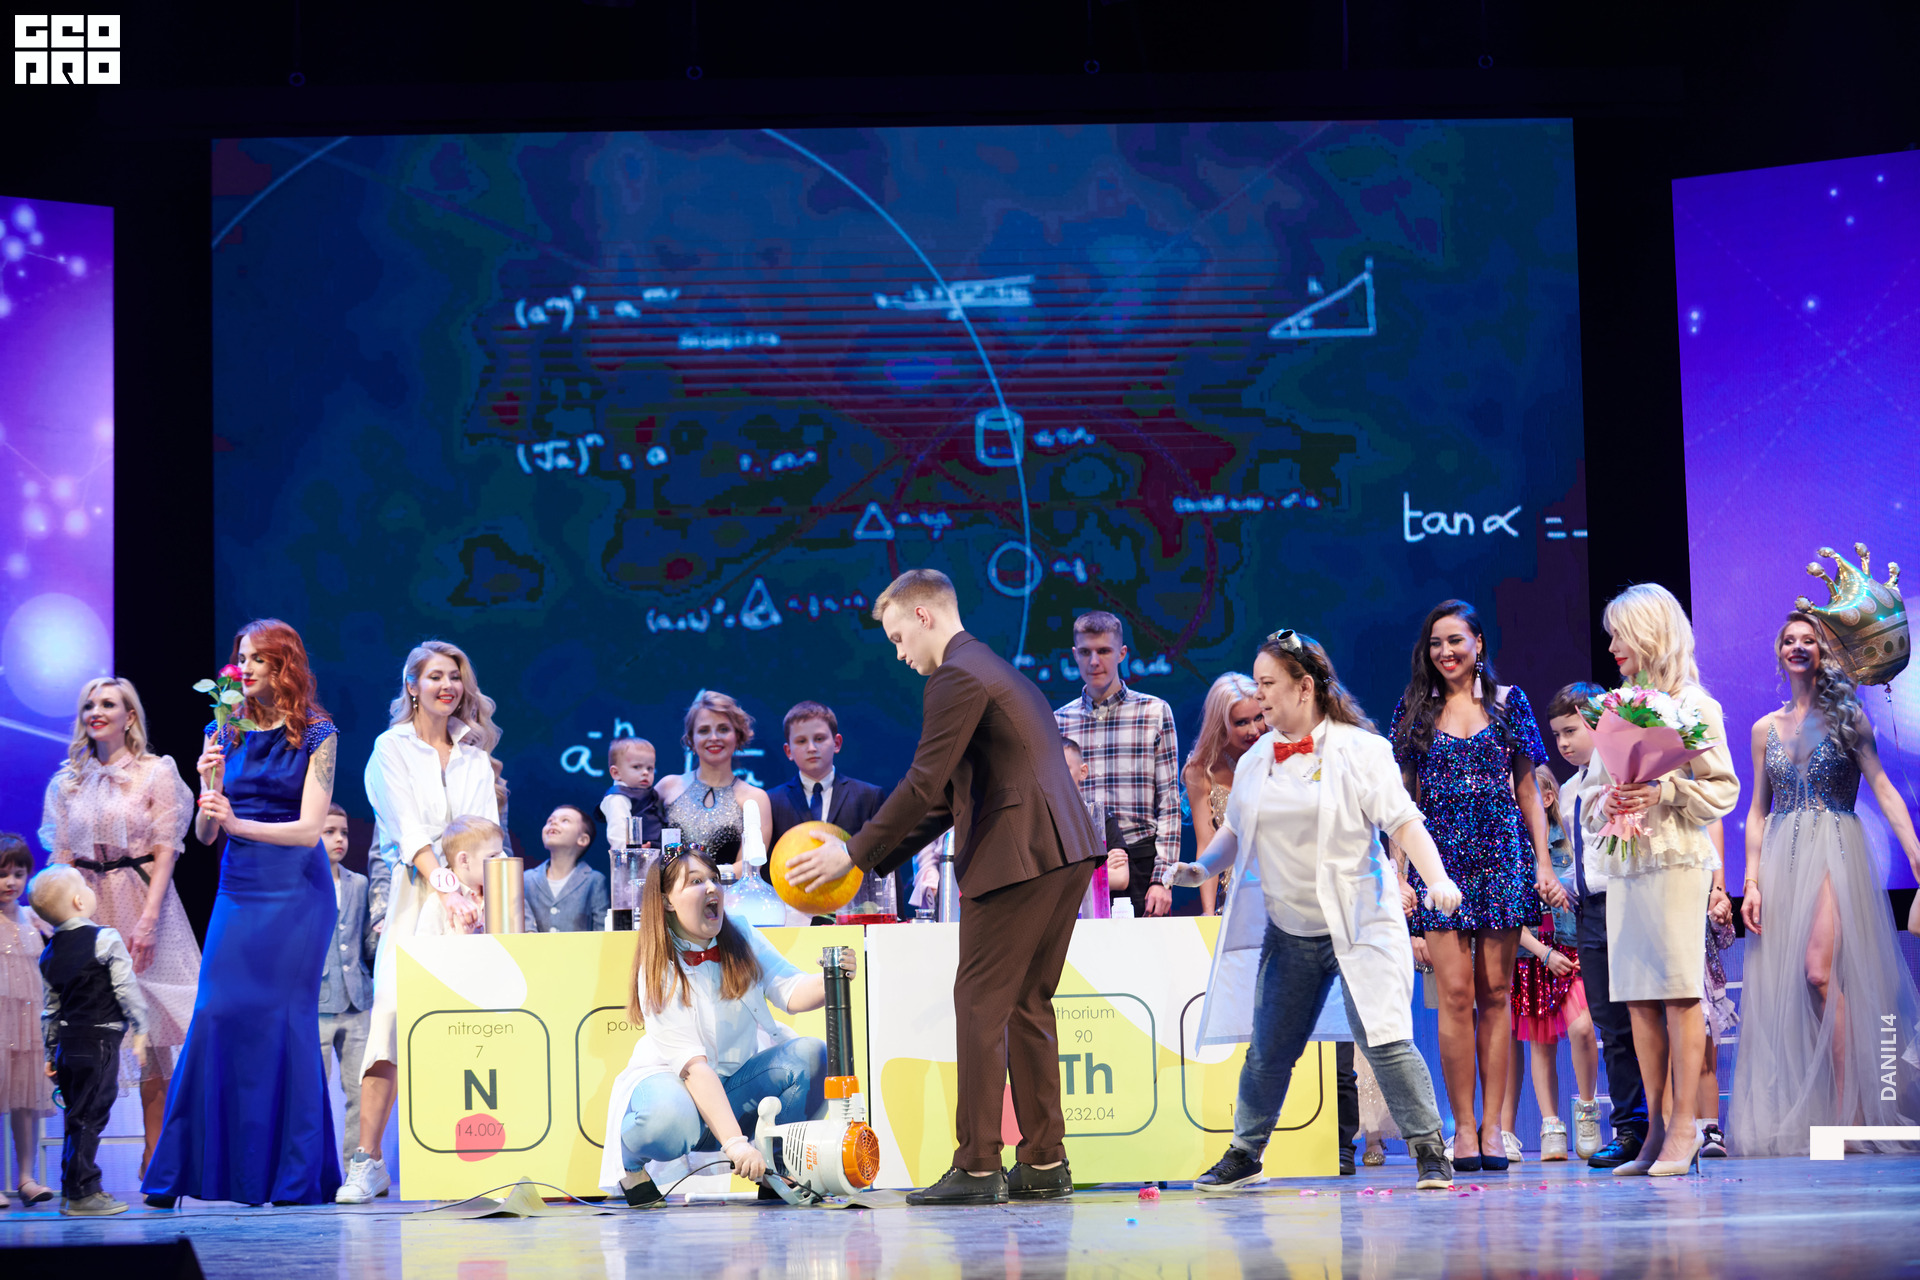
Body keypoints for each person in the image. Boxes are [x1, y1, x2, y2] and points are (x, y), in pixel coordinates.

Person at [787, 569, 1100, 1205]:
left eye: (898, 638)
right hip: (1063, 849)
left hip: (1017, 855)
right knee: (1027, 1005)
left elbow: (923, 782)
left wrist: (852, 851)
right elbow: (945, 800)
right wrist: (864, 862)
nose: (899, 654)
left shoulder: (956, 676)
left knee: (981, 1005)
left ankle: (979, 1165)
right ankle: (1044, 1161)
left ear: (924, 616)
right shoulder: (996, 669)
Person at [1166, 628, 1462, 1193]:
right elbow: (1235, 831)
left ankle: (1429, 1149)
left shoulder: (1361, 750)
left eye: (1268, 684)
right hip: (1291, 929)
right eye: (1257, 684)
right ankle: (1246, 1153)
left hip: (1359, 922)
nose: (1258, 696)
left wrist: (1438, 879)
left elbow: (1403, 822)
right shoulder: (1257, 759)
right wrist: (1201, 869)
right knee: (1269, 1049)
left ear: (1304, 688)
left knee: (1385, 1038)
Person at [142, 619, 343, 1208]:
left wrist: (238, 823)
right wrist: (208, 787)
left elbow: (308, 829)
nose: (245, 667)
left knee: (285, 1020)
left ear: (285, 665)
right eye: (241, 657)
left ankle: (293, 1177)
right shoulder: (222, 729)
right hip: (239, 887)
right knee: (216, 1011)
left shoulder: (318, 732)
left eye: (258, 658)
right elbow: (206, 834)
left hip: (297, 891)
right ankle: (184, 1172)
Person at [1728, 611, 1920, 1155]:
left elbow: (1882, 787)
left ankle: (1853, 1111)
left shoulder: (1848, 718)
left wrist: (1914, 849)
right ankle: (1837, 1106)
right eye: (1788, 640)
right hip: (1782, 857)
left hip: (1835, 845)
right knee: (1800, 984)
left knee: (1819, 973)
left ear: (1823, 651)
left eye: (1808, 639)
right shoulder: (1764, 728)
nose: (1797, 646)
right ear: (1779, 653)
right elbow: (1758, 810)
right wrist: (1751, 882)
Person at [1388, 599, 1566, 1173]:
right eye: (1436, 643)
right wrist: (1398, 873)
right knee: (1455, 996)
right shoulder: (1414, 707)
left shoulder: (1510, 703)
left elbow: (1528, 790)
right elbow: (1401, 801)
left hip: (1502, 858)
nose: (1446, 652)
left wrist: (1543, 863)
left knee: (1495, 994)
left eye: (1456, 641)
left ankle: (1494, 1127)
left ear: (1478, 644)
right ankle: (1462, 1128)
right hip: (1440, 864)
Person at [1577, 583, 1739, 1177]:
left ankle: (1686, 1129)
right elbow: (1590, 796)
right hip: (1627, 865)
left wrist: (1663, 789)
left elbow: (1722, 789)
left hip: (1675, 862)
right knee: (1638, 996)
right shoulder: (1617, 708)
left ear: (1649, 633)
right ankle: (1656, 1131)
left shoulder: (1694, 704)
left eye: (1619, 634)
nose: (1612, 647)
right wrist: (1611, 798)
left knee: (1677, 990)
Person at [340, 639, 502, 1205]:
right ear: (412, 685)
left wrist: (474, 896)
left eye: (454, 676)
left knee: (473, 1023)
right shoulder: (391, 747)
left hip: (474, 901)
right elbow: (407, 830)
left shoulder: (474, 755)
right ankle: (367, 1162)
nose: (447, 686)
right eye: (435, 676)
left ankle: (478, 1158)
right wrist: (446, 887)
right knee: (390, 1017)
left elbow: (485, 832)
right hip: (416, 894)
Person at [597, 847, 845, 1208]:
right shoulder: (658, 966)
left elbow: (790, 990)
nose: (712, 887)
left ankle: (778, 1170)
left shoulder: (739, 931)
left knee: (810, 1055)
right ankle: (630, 1166)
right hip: (676, 1084)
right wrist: (735, 1144)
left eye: (714, 879)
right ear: (666, 901)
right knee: (666, 1119)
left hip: (738, 1081)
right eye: (696, 881)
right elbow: (694, 1069)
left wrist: (832, 976)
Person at [37, 676, 199, 1175]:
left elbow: (167, 849)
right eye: (89, 704)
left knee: (153, 1034)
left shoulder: (155, 772)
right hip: (87, 904)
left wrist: (148, 917)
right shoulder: (68, 782)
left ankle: (156, 1159)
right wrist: (60, 922)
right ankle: (81, 1166)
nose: (96, 711)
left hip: (142, 899)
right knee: (89, 1031)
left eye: (108, 703)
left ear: (130, 717)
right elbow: (61, 857)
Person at [1546, 681, 1646, 1168]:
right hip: (1589, 912)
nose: (1563, 743)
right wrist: (1561, 885)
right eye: (1557, 735)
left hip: (1628, 901)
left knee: (1641, 1017)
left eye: (1572, 731)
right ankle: (1629, 1127)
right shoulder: (1568, 791)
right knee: (1610, 1024)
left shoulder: (1623, 771)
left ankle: (1659, 1122)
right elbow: (1580, 853)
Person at [30, 864, 148, 1216]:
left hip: (68, 1044)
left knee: (76, 1117)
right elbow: (126, 988)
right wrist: (141, 1030)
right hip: (99, 1041)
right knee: (90, 1116)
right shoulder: (105, 937)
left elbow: (50, 1010)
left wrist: (51, 1052)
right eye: (84, 884)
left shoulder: (49, 952)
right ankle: (83, 1192)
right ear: (80, 901)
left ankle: (73, 1190)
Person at [1499, 764, 1598, 1163]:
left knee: (1583, 1028)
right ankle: (1551, 1123)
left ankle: (1587, 1109)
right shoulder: (1508, 846)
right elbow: (1506, 916)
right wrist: (1543, 953)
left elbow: (1585, 889)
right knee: (1540, 1042)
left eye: (1522, 795)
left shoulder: (1568, 841)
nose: (1515, 803)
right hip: (1532, 955)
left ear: (1548, 798)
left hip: (1570, 948)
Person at [1054, 611, 1181, 918]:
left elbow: (1169, 803)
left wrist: (1163, 879)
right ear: (1075, 655)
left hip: (1141, 864)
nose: (1094, 661)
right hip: (1079, 864)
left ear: (1122, 653)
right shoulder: (1058, 722)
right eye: (1085, 652)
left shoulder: (1153, 712)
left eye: (1104, 651)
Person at [767, 702, 891, 915]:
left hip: (854, 911)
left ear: (837, 743)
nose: (811, 748)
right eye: (801, 741)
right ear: (788, 751)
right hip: (792, 914)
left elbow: (884, 864)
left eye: (819, 738)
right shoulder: (772, 801)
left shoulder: (868, 795)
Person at [317, 803, 376, 1170]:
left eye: (344, 832)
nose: (339, 839)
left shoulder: (359, 883)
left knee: (360, 1091)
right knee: (314, 1092)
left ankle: (358, 1169)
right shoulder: (302, 882)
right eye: (329, 832)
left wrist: (381, 933)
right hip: (316, 1004)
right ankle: (317, 1170)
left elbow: (365, 940)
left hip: (357, 1000)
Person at [657, 692, 775, 875]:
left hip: (727, 893)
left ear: (738, 736)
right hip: (668, 893)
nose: (713, 737)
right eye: (704, 730)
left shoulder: (755, 799)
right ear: (691, 739)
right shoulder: (667, 787)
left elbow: (749, 868)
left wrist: (700, 879)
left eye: (723, 729)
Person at [0, 834, 55, 1208]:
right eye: (3, 874)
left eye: (19, 874)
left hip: (27, 1028)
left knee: (26, 1102)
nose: (11, 882)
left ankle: (26, 1177)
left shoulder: (32, 917)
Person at [1183, 673, 1265, 916]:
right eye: (1241, 722)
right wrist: (1209, 913)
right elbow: (1207, 842)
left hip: (1281, 887)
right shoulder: (1200, 770)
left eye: (1258, 717)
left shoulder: (1277, 754)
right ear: (1221, 724)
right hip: (1235, 896)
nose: (1254, 730)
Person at [1061, 736, 1133, 916]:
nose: (1057, 775)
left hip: (1094, 916)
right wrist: (1100, 869)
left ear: (1083, 772)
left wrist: (1065, 873)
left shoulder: (1100, 818)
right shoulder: (1041, 819)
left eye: (1064, 768)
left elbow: (1121, 878)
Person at [525, 804, 610, 932]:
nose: (554, 823)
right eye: (550, 820)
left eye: (565, 820)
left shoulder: (594, 881)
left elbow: (601, 930)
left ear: (583, 839)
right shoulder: (526, 879)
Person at [416, 817, 504, 935]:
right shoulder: (437, 904)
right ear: (464, 860)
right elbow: (422, 945)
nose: (501, 861)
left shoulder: (502, 896)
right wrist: (463, 936)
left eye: (500, 855)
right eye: (492, 856)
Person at [601, 737, 667, 862]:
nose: (645, 772)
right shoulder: (618, 797)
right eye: (637, 767)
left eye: (650, 768)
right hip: (635, 860)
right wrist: (628, 854)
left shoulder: (648, 793)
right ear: (616, 773)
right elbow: (618, 829)